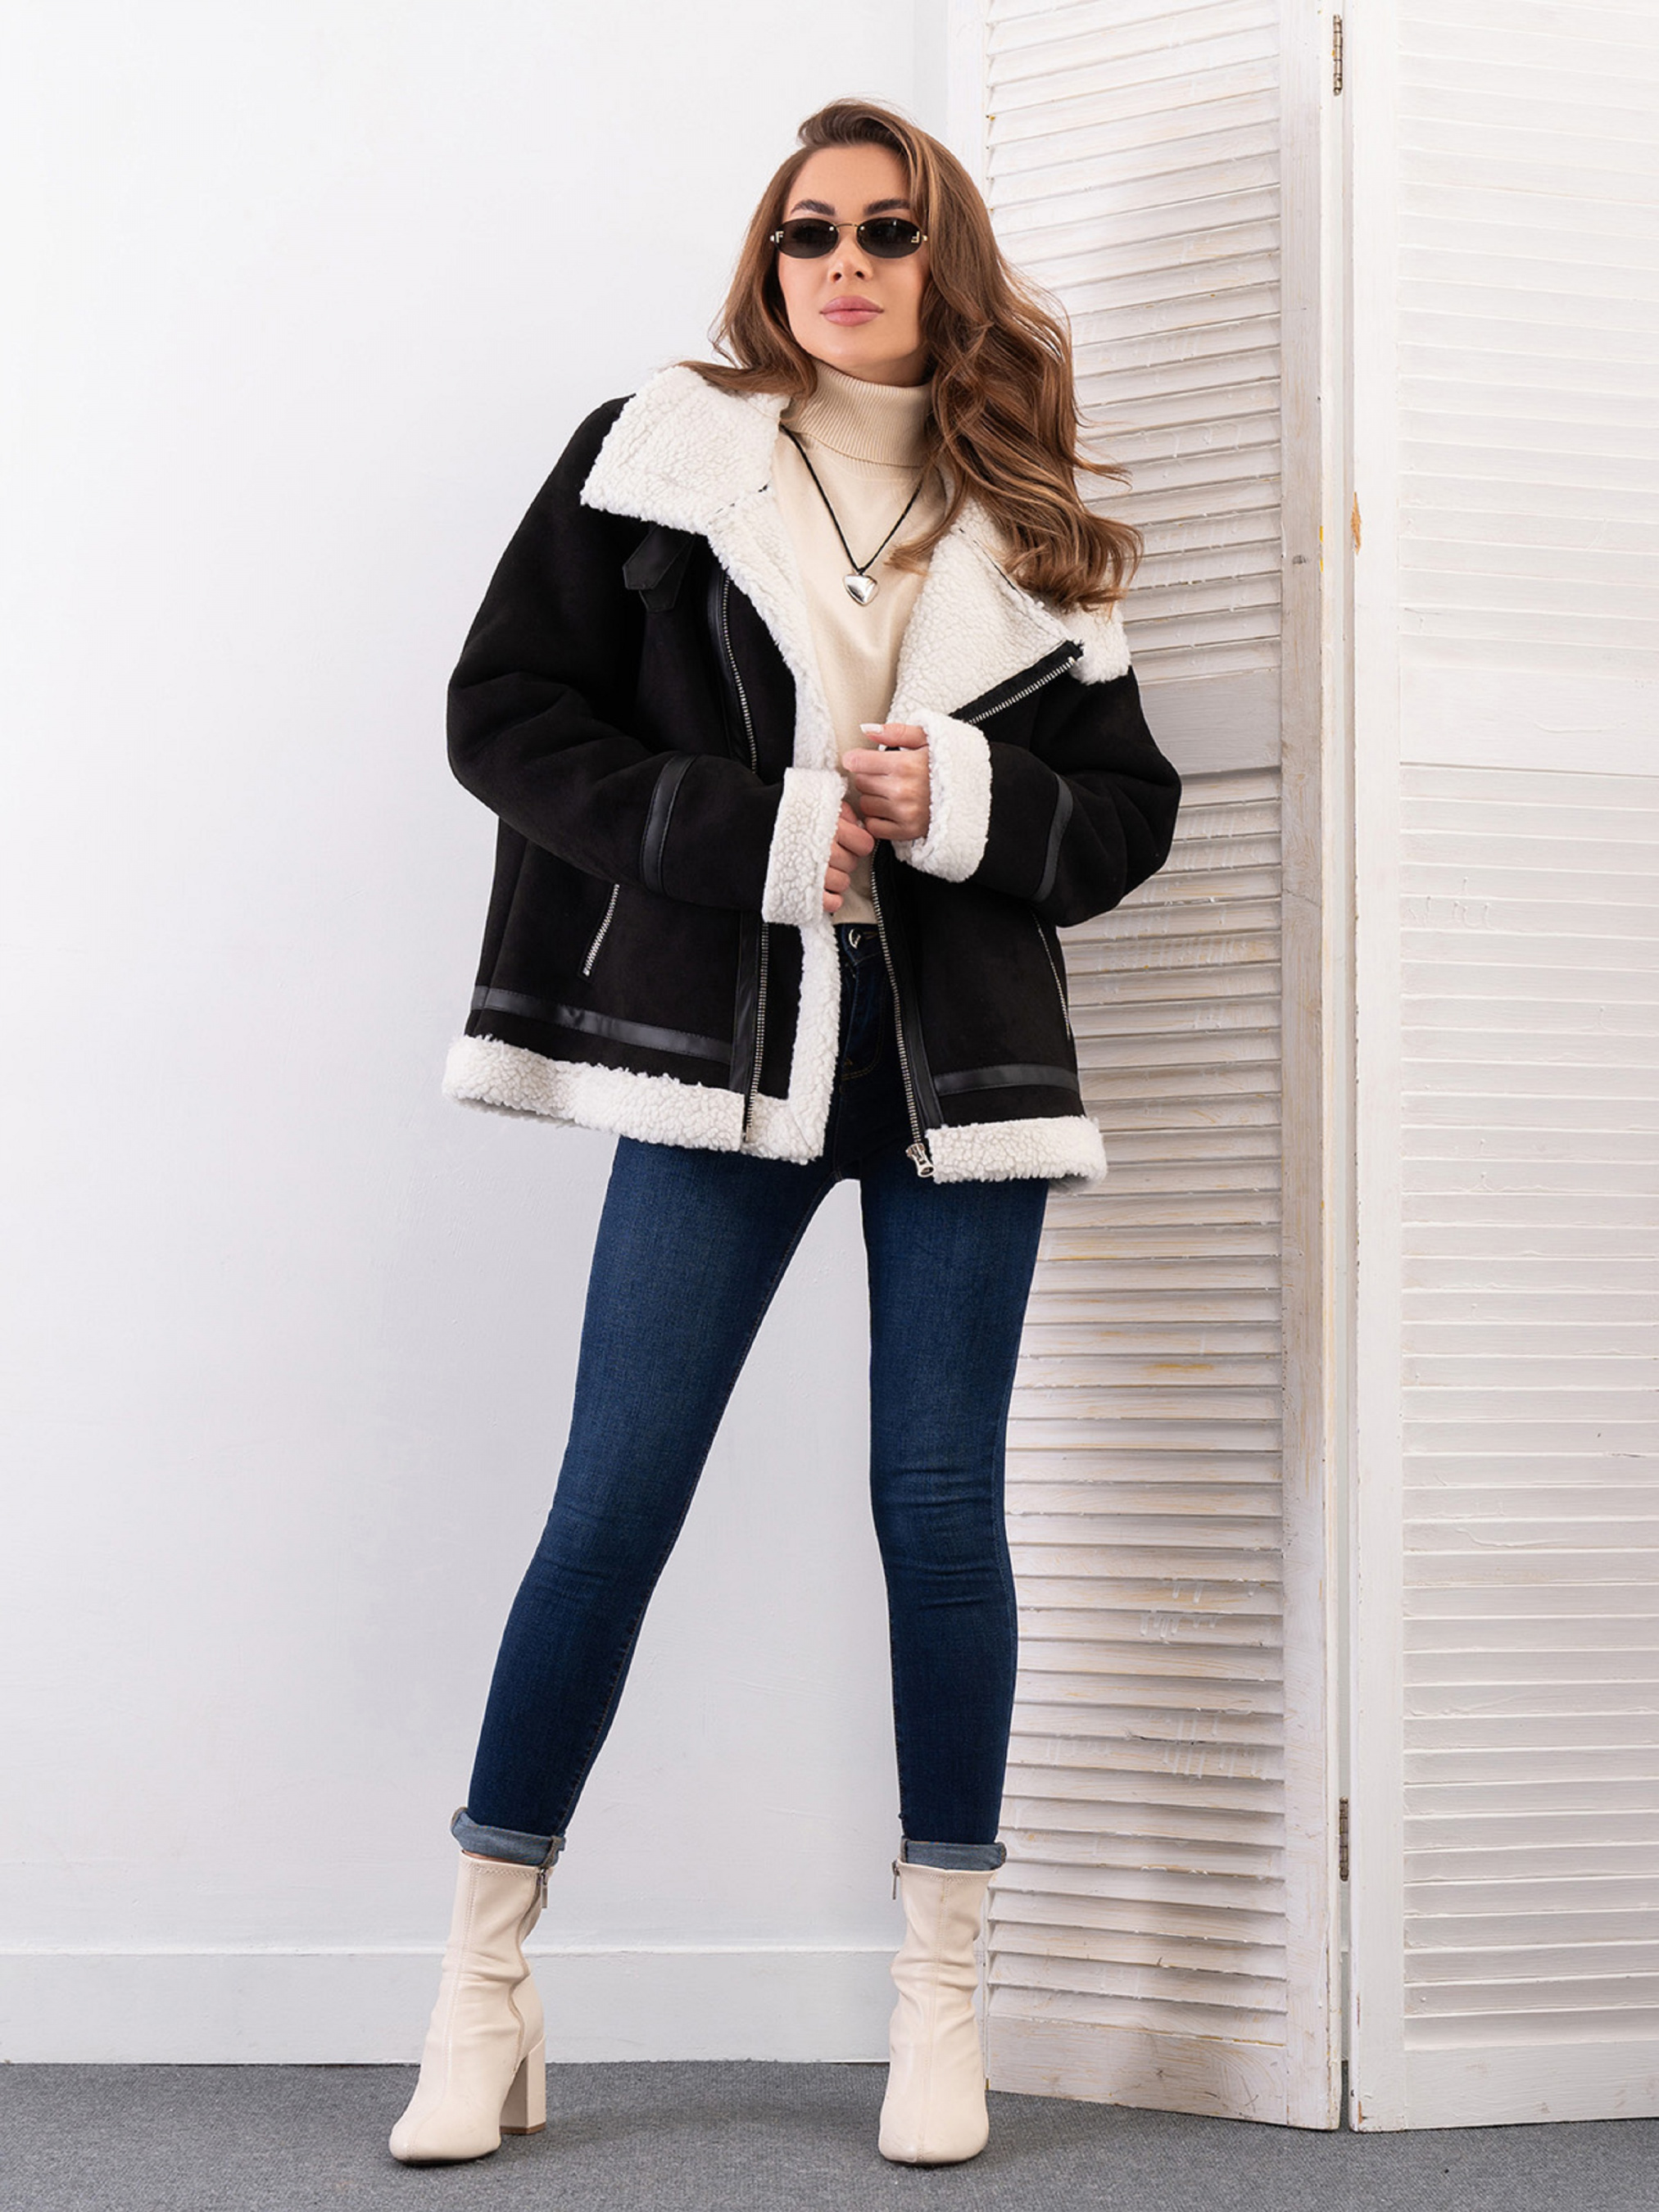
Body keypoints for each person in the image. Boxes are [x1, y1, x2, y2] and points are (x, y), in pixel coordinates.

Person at [390, 97, 1181, 2171]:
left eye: (886, 231)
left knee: (940, 1514)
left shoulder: (1042, 522)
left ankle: (939, 2004)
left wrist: (965, 804)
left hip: (957, 1069)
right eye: (805, 230)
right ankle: (481, 1987)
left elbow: (1129, 820)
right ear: (768, 261)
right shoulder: (656, 458)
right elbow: (503, 716)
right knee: (612, 1505)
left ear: (943, 263)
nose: (840, 262)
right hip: (720, 1051)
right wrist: (748, 829)